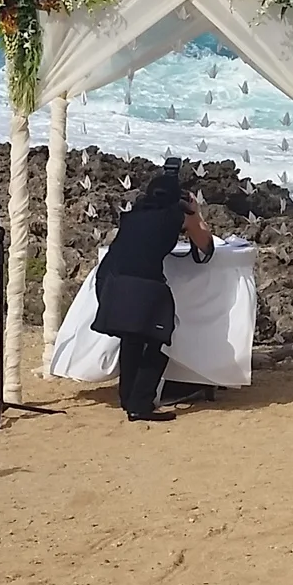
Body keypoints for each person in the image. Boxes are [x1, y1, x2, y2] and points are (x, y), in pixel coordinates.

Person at [91, 160, 213, 422]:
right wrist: (195, 213)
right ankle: (141, 404)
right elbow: (205, 245)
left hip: (110, 281)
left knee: (132, 340)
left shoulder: (133, 215)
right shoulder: (175, 215)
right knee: (159, 343)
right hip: (143, 285)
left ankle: (128, 399)